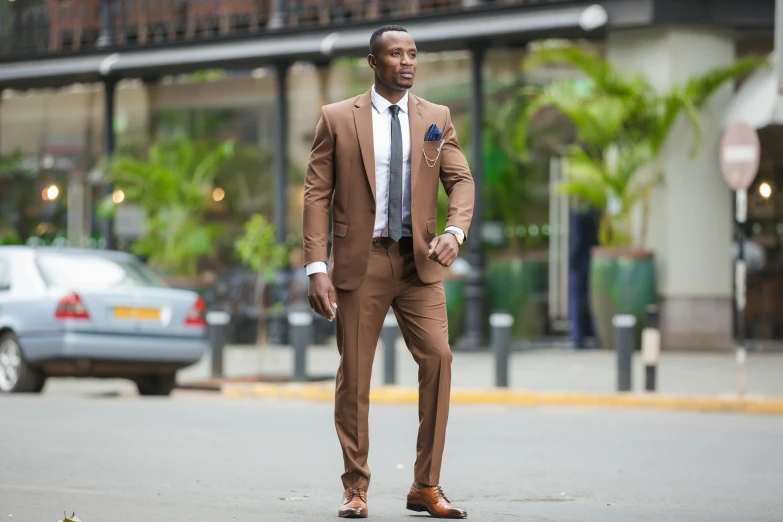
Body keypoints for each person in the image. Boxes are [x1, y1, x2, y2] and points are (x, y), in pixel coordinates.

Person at [302, 25, 474, 519]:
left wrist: (454, 232)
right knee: (355, 376)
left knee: (439, 359)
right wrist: (317, 266)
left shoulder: (435, 118)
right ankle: (355, 488)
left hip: (418, 262)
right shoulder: (337, 118)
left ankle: (426, 486)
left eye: (413, 54)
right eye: (395, 54)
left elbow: (460, 181)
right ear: (373, 62)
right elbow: (317, 194)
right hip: (362, 262)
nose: (407, 61)